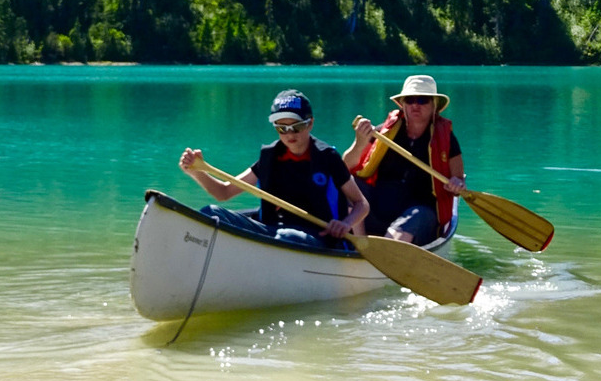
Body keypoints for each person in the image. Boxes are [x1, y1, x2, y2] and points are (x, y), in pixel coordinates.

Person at [179, 88, 368, 250]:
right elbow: (224, 192)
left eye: (296, 126)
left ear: (310, 123)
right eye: (281, 128)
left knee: (286, 237)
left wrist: (345, 224)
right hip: (272, 230)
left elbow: (361, 204)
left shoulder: (327, 157)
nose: (289, 134)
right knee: (211, 212)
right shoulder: (270, 157)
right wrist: (196, 172)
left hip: (318, 237)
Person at [343, 74, 465, 246]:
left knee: (417, 216)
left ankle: (385, 251)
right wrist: (359, 142)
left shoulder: (447, 139)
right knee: (349, 183)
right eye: (410, 100)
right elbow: (344, 166)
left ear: (434, 106)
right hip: (377, 211)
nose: (415, 105)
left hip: (419, 215)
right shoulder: (383, 134)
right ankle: (360, 244)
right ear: (403, 105)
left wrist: (456, 183)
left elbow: (459, 180)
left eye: (422, 100)